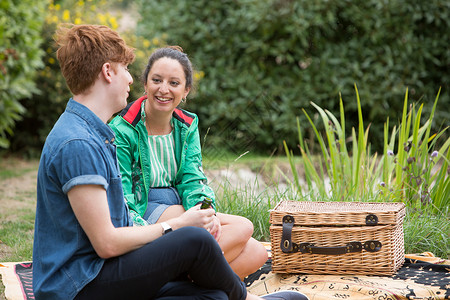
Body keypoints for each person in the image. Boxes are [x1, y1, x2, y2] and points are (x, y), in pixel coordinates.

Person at [32, 24, 308, 300]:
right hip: (79, 284)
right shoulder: (79, 143)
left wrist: (178, 238)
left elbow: (125, 218)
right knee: (194, 239)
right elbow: (106, 242)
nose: (130, 79)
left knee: (215, 296)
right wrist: (175, 227)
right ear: (107, 72)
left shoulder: (93, 132)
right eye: (125, 69)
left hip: (101, 270)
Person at [109, 46, 268, 280]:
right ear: (145, 84)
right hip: (146, 206)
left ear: (186, 91)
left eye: (174, 83)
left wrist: (206, 211)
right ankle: (180, 274)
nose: (163, 89)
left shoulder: (187, 124)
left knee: (256, 253)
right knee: (243, 227)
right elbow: (123, 195)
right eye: (156, 80)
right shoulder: (123, 129)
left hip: (179, 201)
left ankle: (181, 283)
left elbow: (193, 178)